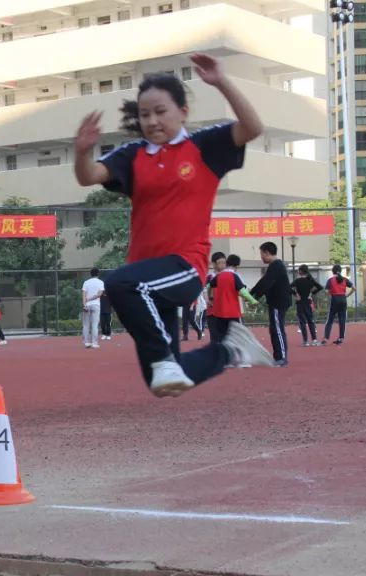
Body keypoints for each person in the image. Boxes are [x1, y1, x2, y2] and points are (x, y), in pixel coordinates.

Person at [75, 59, 273, 396]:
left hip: (184, 266)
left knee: (120, 283)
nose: (152, 121)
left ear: (182, 111)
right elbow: (88, 176)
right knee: (165, 380)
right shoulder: (134, 155)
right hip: (145, 274)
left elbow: (252, 128)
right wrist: (82, 150)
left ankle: (170, 357)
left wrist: (221, 81)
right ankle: (232, 350)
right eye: (145, 114)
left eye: (160, 112)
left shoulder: (204, 147)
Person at [208, 255, 259, 367]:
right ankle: (242, 361)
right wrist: (252, 300)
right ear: (236, 266)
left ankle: (227, 361)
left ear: (226, 263)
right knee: (238, 335)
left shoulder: (218, 276)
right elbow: (242, 291)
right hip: (233, 312)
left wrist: (210, 297)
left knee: (223, 337)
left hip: (220, 312)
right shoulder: (234, 276)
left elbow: (209, 286)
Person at [250, 241, 292, 367]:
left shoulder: (276, 266)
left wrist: (253, 296)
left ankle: (282, 357)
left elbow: (266, 283)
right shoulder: (275, 266)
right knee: (274, 329)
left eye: (261, 254)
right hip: (277, 302)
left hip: (278, 302)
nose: (261, 257)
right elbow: (264, 282)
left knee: (277, 329)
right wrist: (253, 293)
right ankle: (278, 356)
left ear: (267, 253)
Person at [321, 264, 355, 345]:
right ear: (340, 271)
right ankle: (341, 338)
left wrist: (331, 293)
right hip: (343, 299)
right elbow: (354, 288)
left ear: (333, 271)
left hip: (334, 299)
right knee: (342, 320)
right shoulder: (344, 279)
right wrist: (347, 295)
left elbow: (326, 291)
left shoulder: (331, 280)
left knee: (330, 320)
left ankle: (326, 338)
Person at [290, 264, 321, 347]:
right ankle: (314, 340)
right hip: (308, 303)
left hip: (300, 304)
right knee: (310, 321)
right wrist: (311, 293)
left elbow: (288, 287)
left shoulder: (297, 281)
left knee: (302, 323)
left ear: (301, 271)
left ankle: (305, 341)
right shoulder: (311, 280)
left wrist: (296, 294)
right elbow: (320, 287)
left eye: (298, 270)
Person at [204, 252, 227, 343]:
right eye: (220, 262)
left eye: (224, 262)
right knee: (214, 337)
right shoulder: (209, 278)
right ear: (213, 264)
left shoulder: (229, 276)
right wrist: (207, 299)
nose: (222, 265)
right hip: (212, 311)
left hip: (226, 311)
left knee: (226, 337)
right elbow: (204, 290)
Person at [81, 267, 106, 348]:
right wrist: (91, 298)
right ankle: (94, 343)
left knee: (86, 325)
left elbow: (84, 295)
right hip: (96, 305)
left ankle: (86, 342)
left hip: (87, 305)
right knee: (95, 325)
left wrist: (84, 304)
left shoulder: (86, 282)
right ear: (98, 274)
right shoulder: (100, 282)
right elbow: (100, 294)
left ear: (90, 274)